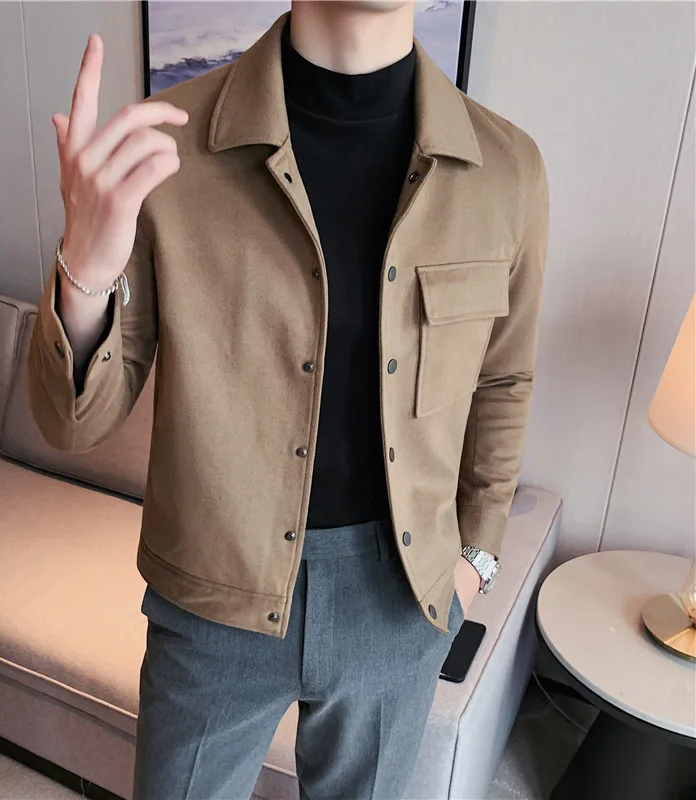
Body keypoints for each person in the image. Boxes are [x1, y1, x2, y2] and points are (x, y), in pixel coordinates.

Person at [28, 1, 548, 797]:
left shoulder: (507, 171)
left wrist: (475, 558)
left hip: (401, 600)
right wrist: (85, 272)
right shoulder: (168, 150)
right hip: (211, 595)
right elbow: (72, 423)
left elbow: (503, 381)